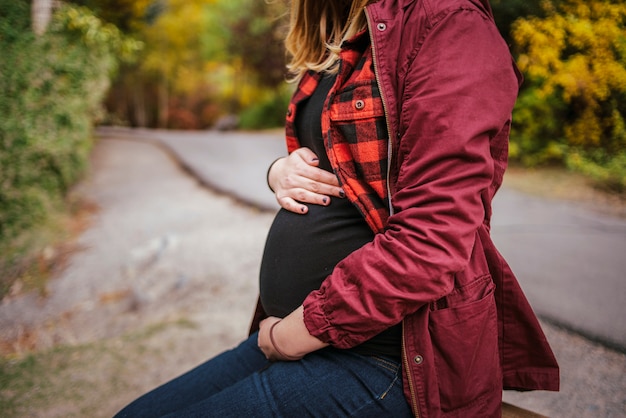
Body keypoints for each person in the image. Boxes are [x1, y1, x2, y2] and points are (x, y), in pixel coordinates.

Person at [114, 0, 559, 416]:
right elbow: (333, 165)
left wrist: (289, 338)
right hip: (309, 330)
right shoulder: (344, 36)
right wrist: (278, 170)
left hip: (391, 356)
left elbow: (431, 238)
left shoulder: (448, 24)